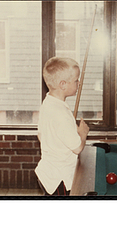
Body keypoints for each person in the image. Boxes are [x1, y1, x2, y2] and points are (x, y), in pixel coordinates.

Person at [35, 57, 89, 196]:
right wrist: (82, 133)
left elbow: (41, 136)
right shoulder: (60, 113)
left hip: (48, 173)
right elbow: (77, 148)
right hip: (60, 179)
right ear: (63, 84)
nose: (79, 83)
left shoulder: (48, 103)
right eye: (76, 80)